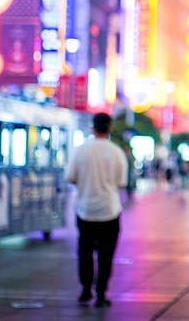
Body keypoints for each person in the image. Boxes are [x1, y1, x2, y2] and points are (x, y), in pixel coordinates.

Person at [65, 112, 128, 308]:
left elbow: (71, 177)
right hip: (109, 211)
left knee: (84, 252)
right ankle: (101, 293)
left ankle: (85, 289)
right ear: (109, 128)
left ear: (92, 127)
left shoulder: (81, 150)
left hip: (85, 209)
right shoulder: (116, 152)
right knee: (106, 255)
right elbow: (121, 182)